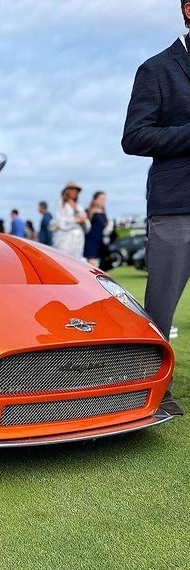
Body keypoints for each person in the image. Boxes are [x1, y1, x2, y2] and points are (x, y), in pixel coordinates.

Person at [121, 2, 190, 415]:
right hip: (176, 208)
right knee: (159, 313)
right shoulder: (157, 69)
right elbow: (135, 136)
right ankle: (150, 395)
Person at [52, 182, 89, 259]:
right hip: (65, 239)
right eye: (72, 190)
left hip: (78, 240)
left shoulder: (79, 207)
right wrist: (76, 220)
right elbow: (60, 222)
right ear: (67, 191)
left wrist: (84, 220)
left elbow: (87, 225)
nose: (74, 192)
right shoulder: (61, 205)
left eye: (76, 191)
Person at [83, 191, 109, 267]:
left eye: (104, 199)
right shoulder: (88, 212)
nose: (103, 201)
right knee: (92, 264)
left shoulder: (104, 214)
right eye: (101, 199)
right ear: (95, 200)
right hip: (90, 241)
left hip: (100, 242)